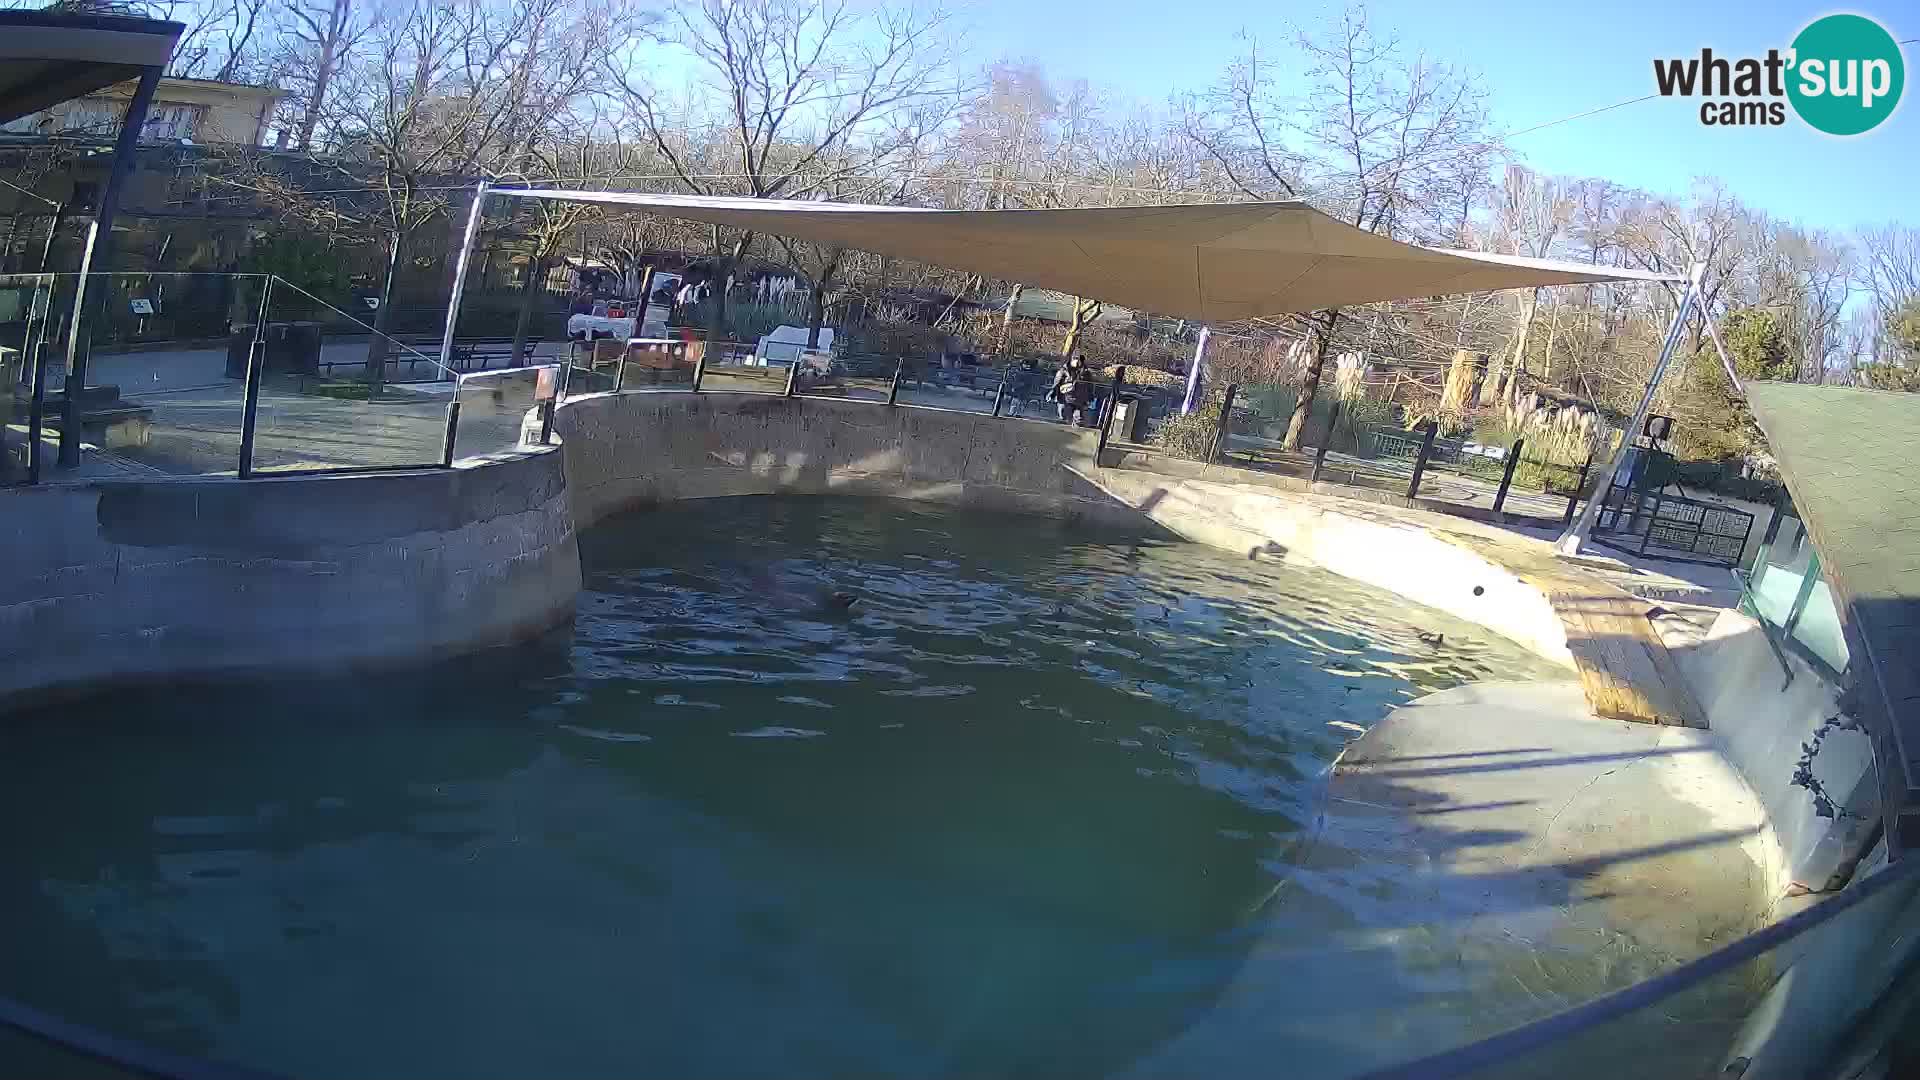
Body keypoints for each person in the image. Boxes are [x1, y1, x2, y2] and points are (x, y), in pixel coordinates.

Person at [1049, 354, 1093, 425]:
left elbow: (1090, 385)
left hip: (1079, 398)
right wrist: (1053, 392)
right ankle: (1064, 422)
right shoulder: (1064, 371)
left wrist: (1089, 398)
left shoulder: (1086, 372)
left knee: (1078, 416)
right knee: (1064, 415)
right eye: (1074, 358)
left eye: (1077, 359)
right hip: (1067, 397)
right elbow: (1057, 382)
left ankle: (1075, 423)